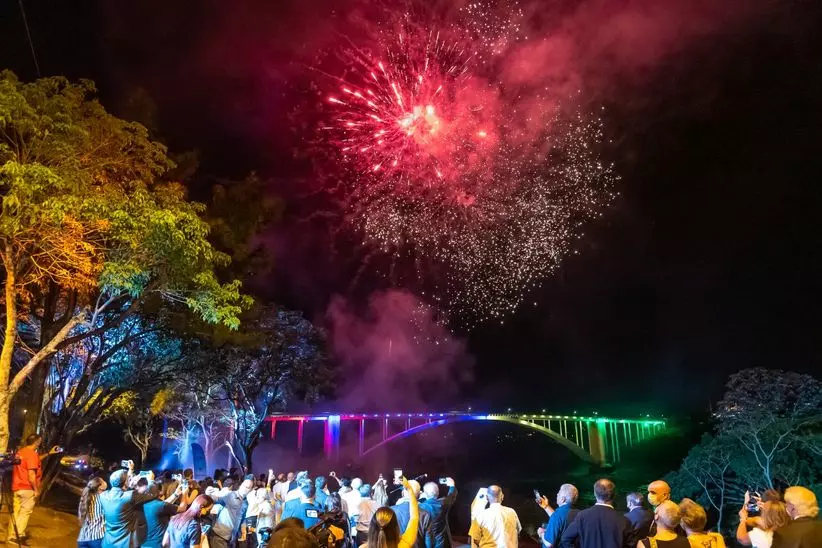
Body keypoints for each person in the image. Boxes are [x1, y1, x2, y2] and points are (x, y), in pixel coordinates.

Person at [5, 434, 61, 545]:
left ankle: (11, 535)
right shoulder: (32, 455)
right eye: (40, 441)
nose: (40, 443)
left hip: (17, 487)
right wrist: (36, 490)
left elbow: (35, 460)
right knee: (25, 513)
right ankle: (16, 536)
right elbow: (31, 475)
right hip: (27, 488)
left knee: (16, 512)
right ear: (36, 442)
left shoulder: (21, 452)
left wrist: (49, 453)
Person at [99, 467, 161, 548]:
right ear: (125, 482)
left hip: (108, 543)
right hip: (124, 544)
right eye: (129, 479)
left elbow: (120, 495)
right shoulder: (130, 495)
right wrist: (151, 481)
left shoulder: (103, 495)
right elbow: (151, 496)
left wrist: (129, 484)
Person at [560, 479, 633, 548]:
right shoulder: (625, 521)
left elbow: (565, 539)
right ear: (614, 495)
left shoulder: (582, 516)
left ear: (595, 494)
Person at [365, 477, 419, 548]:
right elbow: (414, 518)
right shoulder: (404, 545)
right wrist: (409, 489)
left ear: (372, 527)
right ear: (396, 527)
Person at [208, 478, 254, 548]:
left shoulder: (245, 503)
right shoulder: (231, 495)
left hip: (231, 538)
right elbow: (212, 495)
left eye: (248, 487)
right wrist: (211, 490)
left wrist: (243, 530)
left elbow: (243, 518)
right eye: (244, 486)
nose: (245, 489)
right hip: (219, 535)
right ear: (241, 485)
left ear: (251, 490)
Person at [142, 479, 189, 547]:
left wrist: (176, 494)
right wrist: (184, 493)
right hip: (158, 545)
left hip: (144, 544)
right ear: (158, 492)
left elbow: (164, 504)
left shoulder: (142, 504)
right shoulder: (160, 506)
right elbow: (183, 508)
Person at [391, 480, 434, 548]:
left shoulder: (391, 511)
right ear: (419, 495)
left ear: (403, 493)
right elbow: (429, 544)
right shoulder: (425, 514)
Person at [537, 484, 579, 548]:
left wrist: (541, 534)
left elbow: (549, 544)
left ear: (563, 499)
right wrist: (546, 506)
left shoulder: (558, 515)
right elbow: (561, 519)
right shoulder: (579, 513)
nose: (557, 494)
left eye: (559, 493)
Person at [420, 478, 458, 548]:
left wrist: (419, 498)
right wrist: (452, 485)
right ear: (438, 493)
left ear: (425, 494)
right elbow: (451, 496)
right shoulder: (443, 503)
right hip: (442, 544)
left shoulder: (420, 507)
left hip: (426, 544)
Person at [78, 477, 108, 548]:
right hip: (96, 539)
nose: (105, 492)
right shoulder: (102, 499)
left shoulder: (84, 497)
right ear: (98, 489)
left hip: (82, 538)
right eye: (103, 490)